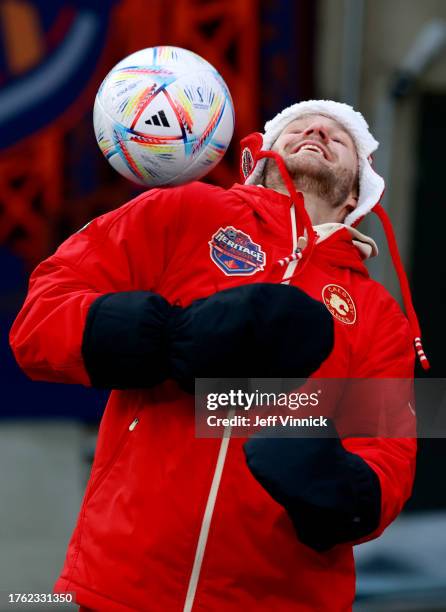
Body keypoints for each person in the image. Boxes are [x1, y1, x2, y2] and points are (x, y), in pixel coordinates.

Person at [10, 100, 427, 611]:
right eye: (301, 123)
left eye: (342, 138)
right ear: (263, 157)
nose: (319, 127)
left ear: (359, 194)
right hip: (123, 584)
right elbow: (40, 319)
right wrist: (169, 338)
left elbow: (388, 458)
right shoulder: (183, 211)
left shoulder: (378, 314)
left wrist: (342, 490)